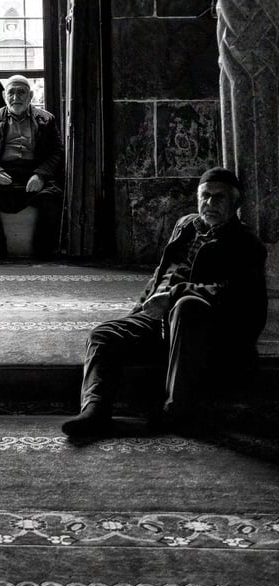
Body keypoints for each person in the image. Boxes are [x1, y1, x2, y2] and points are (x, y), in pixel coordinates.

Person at [62, 168, 267, 439]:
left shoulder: (245, 243)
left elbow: (231, 293)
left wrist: (173, 296)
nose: (210, 204)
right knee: (103, 335)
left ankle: (177, 410)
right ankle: (94, 411)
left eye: (219, 198)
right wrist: (140, 308)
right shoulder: (185, 225)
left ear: (235, 204)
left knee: (187, 305)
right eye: (205, 196)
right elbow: (161, 273)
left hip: (204, 329)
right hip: (158, 320)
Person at [0, 73, 64, 259]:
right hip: (2, 172)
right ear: (4, 96)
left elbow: (57, 152)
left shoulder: (46, 119)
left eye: (21, 93)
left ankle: (42, 251)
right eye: (11, 93)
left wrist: (40, 175)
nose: (15, 98)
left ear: (30, 96)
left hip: (32, 173)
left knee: (52, 196)